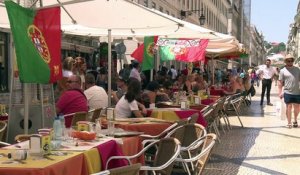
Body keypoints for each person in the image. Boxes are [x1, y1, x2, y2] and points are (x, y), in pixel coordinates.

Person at [278, 54, 300, 128]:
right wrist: (280, 92)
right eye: (288, 61)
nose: (290, 62)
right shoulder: (282, 71)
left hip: (297, 92)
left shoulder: (297, 70)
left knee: (297, 108)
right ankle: (289, 122)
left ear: (293, 61)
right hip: (287, 92)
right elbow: (280, 83)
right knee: (289, 107)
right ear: (286, 61)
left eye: (291, 60)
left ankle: (295, 119)